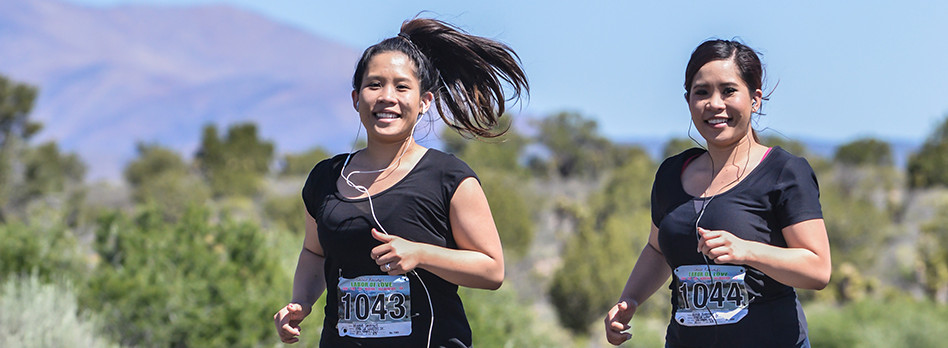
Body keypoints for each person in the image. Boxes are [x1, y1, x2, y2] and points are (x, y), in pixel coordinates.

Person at [272, 18, 528, 348]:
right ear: (355, 98)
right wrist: (301, 302)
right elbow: (313, 252)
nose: (387, 97)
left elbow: (492, 270)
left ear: (424, 102)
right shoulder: (325, 178)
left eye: (402, 87)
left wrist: (420, 254)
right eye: (374, 85)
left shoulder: (448, 177)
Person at [604, 39, 831, 347]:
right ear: (688, 101)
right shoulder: (672, 173)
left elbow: (817, 269)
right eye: (702, 92)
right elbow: (657, 251)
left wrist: (746, 250)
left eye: (728, 90)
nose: (714, 103)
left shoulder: (784, 172)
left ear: (755, 98)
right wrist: (630, 299)